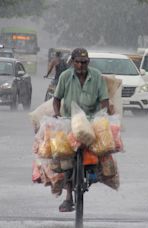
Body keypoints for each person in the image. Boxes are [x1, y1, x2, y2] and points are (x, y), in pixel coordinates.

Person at [53, 48, 111, 212]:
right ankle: (68, 197)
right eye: (77, 62)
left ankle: (93, 171)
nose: (80, 65)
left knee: (102, 147)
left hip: (90, 120)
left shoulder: (97, 76)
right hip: (69, 121)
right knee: (65, 158)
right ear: (72, 62)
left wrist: (103, 115)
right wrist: (57, 115)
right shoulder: (65, 77)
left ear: (88, 62)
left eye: (84, 62)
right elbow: (56, 100)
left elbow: (104, 100)